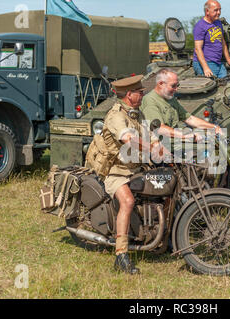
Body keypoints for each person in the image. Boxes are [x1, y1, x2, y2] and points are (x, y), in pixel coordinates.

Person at [87, 75, 163, 275]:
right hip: (115, 171)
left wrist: (161, 149)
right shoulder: (115, 116)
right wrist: (149, 147)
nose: (143, 94)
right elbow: (128, 138)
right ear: (129, 95)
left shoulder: (137, 114)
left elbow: (152, 137)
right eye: (140, 92)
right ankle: (121, 255)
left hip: (135, 168)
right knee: (128, 201)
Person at [140, 68, 223, 143]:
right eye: (173, 86)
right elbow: (160, 128)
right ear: (161, 84)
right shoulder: (150, 101)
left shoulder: (170, 98)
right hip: (159, 145)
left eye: (177, 85)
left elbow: (189, 118)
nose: (176, 89)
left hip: (173, 140)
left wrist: (214, 127)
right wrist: (184, 136)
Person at [192, 0, 230, 78]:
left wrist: (229, 59)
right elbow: (198, 49)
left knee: (225, 83)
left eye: (220, 9)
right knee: (211, 87)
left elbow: (222, 42)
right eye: (216, 10)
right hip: (205, 62)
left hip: (218, 62)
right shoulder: (200, 26)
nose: (219, 12)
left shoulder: (218, 23)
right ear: (207, 11)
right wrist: (205, 68)